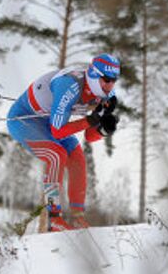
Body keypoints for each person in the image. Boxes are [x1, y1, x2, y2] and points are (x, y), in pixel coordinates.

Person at [7, 54, 120, 232]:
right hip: (25, 119)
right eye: (106, 79)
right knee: (56, 155)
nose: (110, 85)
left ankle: (77, 217)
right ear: (93, 75)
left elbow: (89, 137)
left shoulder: (107, 95)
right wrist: (90, 120)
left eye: (114, 80)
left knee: (77, 156)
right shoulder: (70, 86)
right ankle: (54, 218)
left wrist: (102, 130)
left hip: (50, 121)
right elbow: (57, 131)